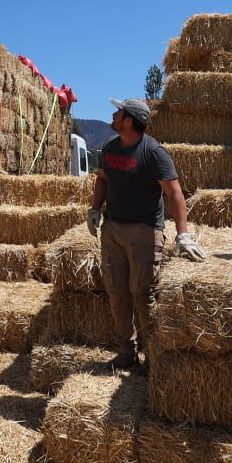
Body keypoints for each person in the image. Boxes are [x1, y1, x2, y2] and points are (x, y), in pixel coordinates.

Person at [88, 97, 206, 372]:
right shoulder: (110, 147)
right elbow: (102, 178)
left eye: (119, 112)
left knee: (143, 295)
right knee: (118, 294)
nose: (113, 114)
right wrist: (95, 209)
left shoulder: (153, 152)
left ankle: (152, 356)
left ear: (129, 120)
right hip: (113, 230)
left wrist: (183, 235)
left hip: (144, 232)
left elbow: (175, 194)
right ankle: (126, 352)